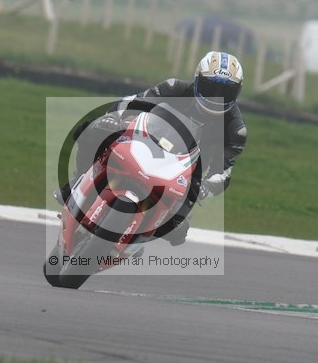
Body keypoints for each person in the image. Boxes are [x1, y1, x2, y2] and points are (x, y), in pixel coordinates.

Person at [55, 51, 247, 246]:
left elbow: (223, 172)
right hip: (146, 139)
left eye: (226, 92)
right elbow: (133, 102)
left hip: (185, 172)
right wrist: (114, 117)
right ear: (198, 80)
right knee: (93, 129)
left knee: (178, 230)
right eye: (211, 88)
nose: (216, 98)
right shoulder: (173, 87)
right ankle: (77, 181)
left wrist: (206, 186)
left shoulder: (235, 129)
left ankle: (136, 240)